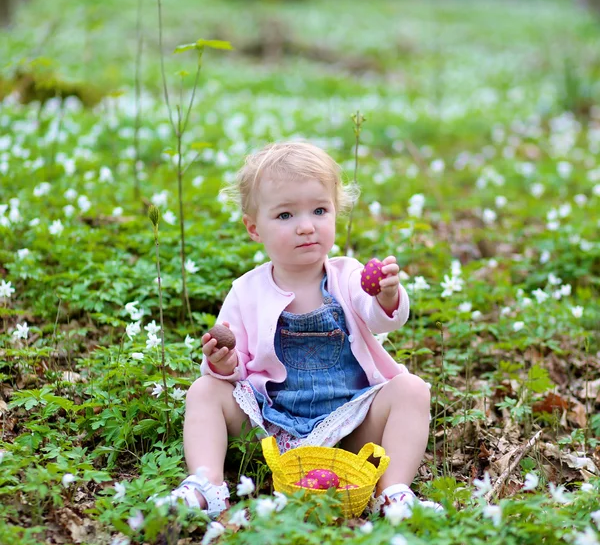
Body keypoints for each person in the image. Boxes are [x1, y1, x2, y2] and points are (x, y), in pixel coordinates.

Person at [161, 140, 437, 517]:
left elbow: (377, 315)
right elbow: (236, 364)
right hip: (271, 428)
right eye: (286, 215)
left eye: (319, 210)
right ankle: (207, 484)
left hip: (349, 426)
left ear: (335, 214)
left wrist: (387, 296)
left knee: (412, 390)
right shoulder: (247, 291)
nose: (306, 227)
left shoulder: (347, 275)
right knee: (205, 391)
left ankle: (391, 492)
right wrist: (223, 365)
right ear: (254, 228)